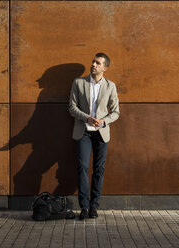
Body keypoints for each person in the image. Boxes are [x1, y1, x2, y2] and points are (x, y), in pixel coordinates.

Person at [68, 53, 120, 220]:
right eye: (93, 61)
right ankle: (84, 206)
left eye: (98, 63)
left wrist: (103, 122)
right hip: (83, 131)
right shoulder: (79, 82)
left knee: (99, 169)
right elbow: (72, 107)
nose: (93, 64)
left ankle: (94, 207)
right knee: (82, 166)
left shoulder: (110, 86)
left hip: (101, 133)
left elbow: (116, 112)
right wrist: (86, 118)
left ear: (105, 68)